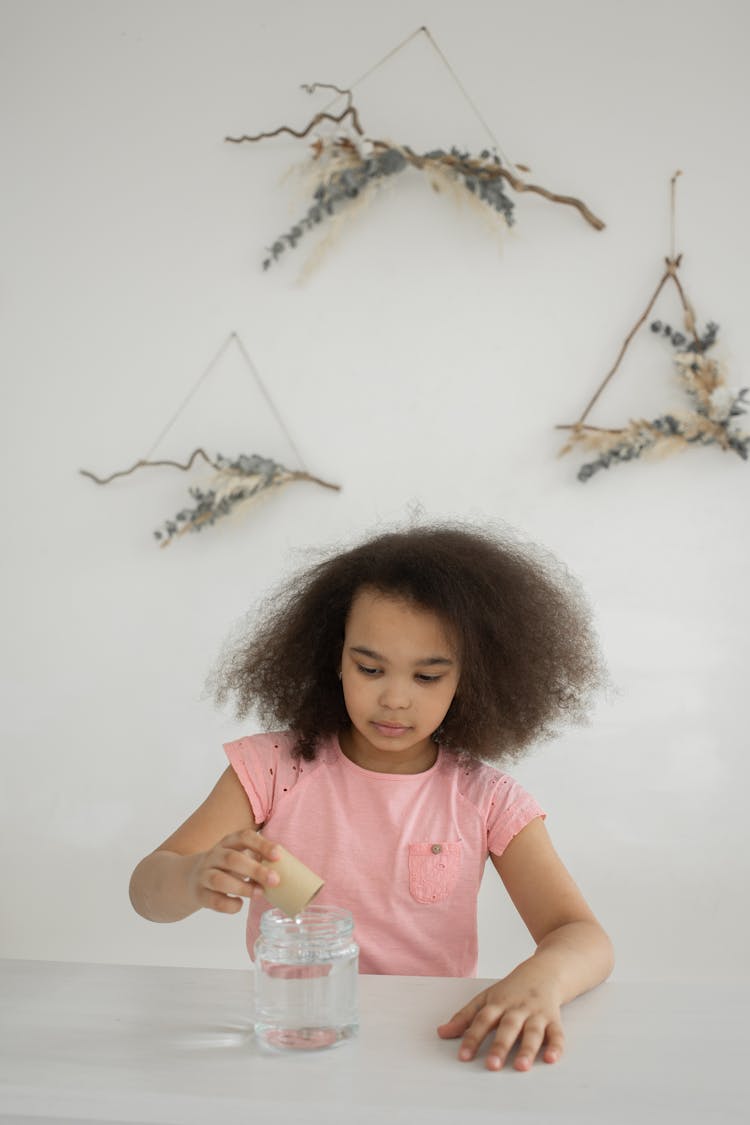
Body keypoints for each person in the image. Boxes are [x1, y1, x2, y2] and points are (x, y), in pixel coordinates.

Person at [130, 522, 614, 1072]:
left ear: (470, 680)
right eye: (370, 668)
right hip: (296, 1035)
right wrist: (193, 877)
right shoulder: (271, 770)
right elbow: (147, 890)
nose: (395, 698)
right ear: (333, 657)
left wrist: (543, 978)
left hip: (432, 1048)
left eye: (428, 676)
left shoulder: (487, 799)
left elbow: (584, 936)